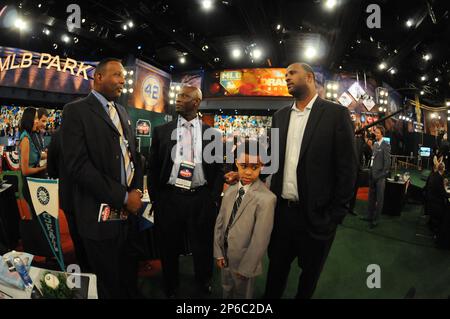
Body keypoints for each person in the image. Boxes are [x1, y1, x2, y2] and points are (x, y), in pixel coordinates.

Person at [260, 62, 357, 299]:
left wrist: (335, 215)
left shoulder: (336, 114)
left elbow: (348, 169)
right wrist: (245, 176)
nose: (287, 78)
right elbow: (270, 160)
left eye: (292, 73)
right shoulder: (280, 117)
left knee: (309, 276)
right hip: (282, 214)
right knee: (276, 272)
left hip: (318, 217)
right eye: (285, 75)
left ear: (310, 77)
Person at [61, 58, 143, 299]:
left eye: (124, 78)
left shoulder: (123, 112)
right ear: (98, 77)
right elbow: (78, 166)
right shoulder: (75, 111)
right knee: (106, 283)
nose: (122, 82)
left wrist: (136, 189)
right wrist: (122, 196)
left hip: (127, 217)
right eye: (117, 75)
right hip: (98, 217)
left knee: (127, 276)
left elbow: (133, 156)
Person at [147, 85, 224, 298]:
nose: (177, 99)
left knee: (202, 246)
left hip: (200, 198)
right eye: (178, 95)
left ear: (197, 102)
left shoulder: (213, 134)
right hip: (170, 198)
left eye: (184, 96)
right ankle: (170, 284)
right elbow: (152, 168)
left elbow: (219, 170)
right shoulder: (162, 131)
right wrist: (157, 199)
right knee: (168, 246)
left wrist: (212, 199)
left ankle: (203, 280)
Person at [214, 140, 276, 299]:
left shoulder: (267, 199)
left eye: (254, 167)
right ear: (236, 163)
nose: (248, 172)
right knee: (226, 288)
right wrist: (219, 253)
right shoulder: (229, 191)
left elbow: (260, 239)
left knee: (243, 295)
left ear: (262, 165)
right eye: (243, 166)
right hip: (225, 256)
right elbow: (220, 223)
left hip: (244, 261)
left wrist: (247, 268)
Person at [47, 126, 90, 272]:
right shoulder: (92, 130)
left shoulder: (58, 135)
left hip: (68, 195)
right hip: (92, 194)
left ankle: (84, 269)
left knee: (77, 237)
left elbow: (51, 169)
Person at [18, 107, 47, 213]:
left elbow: (38, 155)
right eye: (35, 118)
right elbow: (25, 171)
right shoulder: (25, 139)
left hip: (35, 182)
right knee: (36, 219)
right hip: (29, 184)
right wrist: (43, 168)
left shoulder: (31, 135)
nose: (37, 121)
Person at [361, 126, 391, 228]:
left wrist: (381, 175)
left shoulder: (386, 145)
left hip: (380, 177)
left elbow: (387, 164)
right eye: (376, 133)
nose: (376, 135)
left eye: (378, 133)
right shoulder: (375, 144)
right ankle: (369, 216)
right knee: (371, 198)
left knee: (379, 199)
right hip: (372, 175)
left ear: (382, 134)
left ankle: (376, 220)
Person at [425, 163, 449, 234]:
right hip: (436, 202)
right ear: (443, 169)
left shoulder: (434, 175)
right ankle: (437, 228)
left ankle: (432, 222)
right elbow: (442, 193)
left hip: (431, 199)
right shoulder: (439, 178)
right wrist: (448, 193)